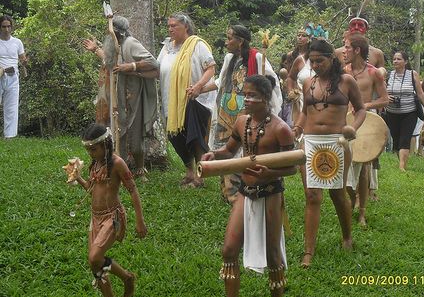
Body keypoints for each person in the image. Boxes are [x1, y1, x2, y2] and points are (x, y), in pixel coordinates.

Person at [202, 74, 295, 297]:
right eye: (245, 94)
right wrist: (215, 154)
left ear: (265, 98)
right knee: (229, 250)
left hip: (271, 194)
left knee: (274, 256)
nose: (246, 99)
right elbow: (230, 150)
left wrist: (270, 171)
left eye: (252, 95)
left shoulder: (281, 129)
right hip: (245, 192)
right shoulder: (242, 122)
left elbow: (293, 167)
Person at [293, 39, 366, 267]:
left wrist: (353, 128)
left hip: (337, 141)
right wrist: (296, 129)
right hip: (311, 141)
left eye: (320, 61)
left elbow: (361, 109)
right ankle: (308, 251)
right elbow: (305, 112)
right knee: (312, 195)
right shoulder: (307, 83)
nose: (315, 65)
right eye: (312, 61)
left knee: (337, 194)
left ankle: (347, 237)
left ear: (331, 58)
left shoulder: (346, 81)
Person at [73, 123, 147, 297]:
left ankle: (126, 277)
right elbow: (92, 189)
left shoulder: (117, 163)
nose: (90, 153)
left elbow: (133, 191)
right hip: (95, 218)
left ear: (106, 144)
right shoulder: (95, 164)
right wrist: (78, 178)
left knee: (95, 257)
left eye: (94, 149)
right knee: (94, 263)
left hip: (112, 217)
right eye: (88, 149)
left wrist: (140, 220)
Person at [208, 24, 282, 203]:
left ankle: (239, 192)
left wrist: (268, 109)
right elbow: (221, 81)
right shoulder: (229, 58)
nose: (227, 42)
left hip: (246, 110)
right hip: (227, 110)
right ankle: (227, 191)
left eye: (230, 38)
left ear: (240, 41)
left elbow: (271, 84)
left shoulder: (257, 57)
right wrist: (199, 88)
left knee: (243, 149)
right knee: (224, 148)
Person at [83, 16, 159, 181]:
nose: (107, 34)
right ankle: (118, 169)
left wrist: (131, 66)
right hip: (115, 99)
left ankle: (140, 170)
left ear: (116, 33)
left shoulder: (130, 43)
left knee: (134, 136)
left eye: (110, 31)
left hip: (131, 99)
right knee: (117, 134)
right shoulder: (114, 46)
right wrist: (96, 49)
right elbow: (110, 62)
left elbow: (153, 63)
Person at [156, 12, 216, 188]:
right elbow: (157, 69)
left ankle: (200, 174)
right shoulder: (167, 46)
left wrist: (198, 86)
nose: (170, 29)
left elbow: (211, 68)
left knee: (194, 137)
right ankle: (189, 170)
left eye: (174, 25)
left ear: (186, 27)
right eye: (169, 26)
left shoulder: (196, 45)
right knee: (175, 136)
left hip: (194, 99)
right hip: (171, 100)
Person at [343, 33, 388, 225]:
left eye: (346, 47)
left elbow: (385, 99)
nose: (343, 51)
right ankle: (353, 198)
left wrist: (365, 106)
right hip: (345, 124)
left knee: (362, 169)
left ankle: (362, 211)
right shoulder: (342, 71)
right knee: (344, 167)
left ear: (357, 50)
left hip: (366, 123)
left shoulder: (373, 73)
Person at [385, 51, 424, 171]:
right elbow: (382, 92)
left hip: (409, 112)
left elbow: (420, 94)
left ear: (405, 61)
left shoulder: (412, 74)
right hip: (392, 113)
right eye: (394, 59)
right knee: (396, 138)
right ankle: (401, 160)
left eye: (399, 59)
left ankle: (402, 166)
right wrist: (386, 97)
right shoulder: (389, 75)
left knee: (405, 138)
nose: (395, 61)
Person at [0, 14, 27, 138]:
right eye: (4, 27)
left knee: (11, 107)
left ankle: (9, 136)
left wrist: (25, 61)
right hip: (0, 74)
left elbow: (22, 58)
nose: (6, 29)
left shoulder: (17, 42)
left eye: (8, 26)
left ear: (11, 27)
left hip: (13, 76)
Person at [286, 24, 314, 125]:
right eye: (298, 35)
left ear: (309, 38)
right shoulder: (291, 55)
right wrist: (292, 92)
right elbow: (290, 76)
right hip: (299, 93)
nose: (300, 38)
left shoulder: (315, 56)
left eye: (303, 35)